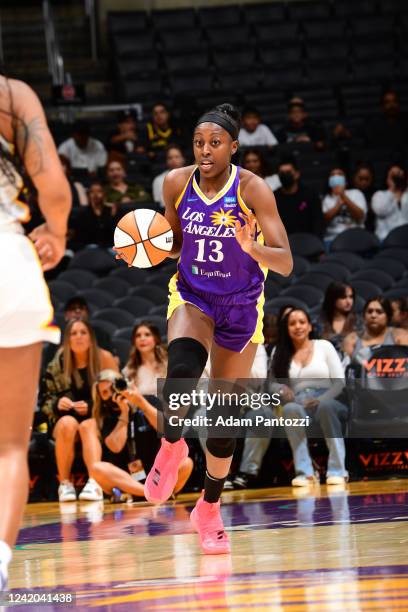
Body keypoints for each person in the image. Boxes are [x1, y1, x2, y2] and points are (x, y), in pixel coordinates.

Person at [115, 103, 292, 554]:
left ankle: (208, 508)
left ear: (234, 146)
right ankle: (171, 447)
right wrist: (144, 250)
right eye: (199, 142)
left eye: (215, 143)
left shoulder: (253, 189)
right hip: (193, 295)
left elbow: (286, 262)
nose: (206, 150)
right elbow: (174, 244)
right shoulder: (176, 182)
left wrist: (251, 246)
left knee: (223, 423)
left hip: (242, 305)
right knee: (179, 378)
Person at [0, 74, 71, 589]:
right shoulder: (11, 95)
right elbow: (55, 190)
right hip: (9, 263)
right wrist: (58, 233)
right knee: (9, 447)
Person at [85, 370, 193, 501]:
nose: (112, 394)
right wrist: (124, 413)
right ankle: (151, 494)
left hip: (158, 473)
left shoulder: (147, 401)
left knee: (186, 463)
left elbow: (167, 430)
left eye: (114, 387)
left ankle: (154, 492)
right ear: (100, 398)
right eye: (105, 392)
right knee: (97, 468)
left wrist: (140, 402)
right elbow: (115, 446)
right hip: (127, 479)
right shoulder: (105, 417)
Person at [41, 319, 118, 502]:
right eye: (73, 333)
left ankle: (94, 482)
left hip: (98, 419)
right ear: (67, 340)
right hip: (64, 421)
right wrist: (57, 403)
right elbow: (44, 400)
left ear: (91, 338)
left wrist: (93, 407)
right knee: (70, 423)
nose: (78, 337)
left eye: (83, 332)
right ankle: (65, 484)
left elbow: (119, 397)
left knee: (87, 425)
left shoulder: (104, 358)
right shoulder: (58, 362)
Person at [271, 307, 349, 487]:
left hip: (329, 399)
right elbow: (271, 383)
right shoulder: (280, 352)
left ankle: (338, 471)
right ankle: (305, 473)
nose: (297, 326)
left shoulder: (324, 346)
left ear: (310, 326)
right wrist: (282, 389)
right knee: (289, 410)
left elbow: (340, 383)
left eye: (302, 322)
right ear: (286, 328)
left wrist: (321, 399)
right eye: (292, 323)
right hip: (299, 402)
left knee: (326, 407)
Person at [343, 297, 408, 364]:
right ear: (364, 315)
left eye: (379, 312)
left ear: (388, 316)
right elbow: (345, 369)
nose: (373, 315)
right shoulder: (351, 340)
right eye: (369, 311)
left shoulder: (400, 336)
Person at [274, 158, 324, 236]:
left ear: (297, 174)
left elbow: (318, 221)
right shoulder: (274, 197)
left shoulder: (310, 194)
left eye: (288, 172)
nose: (284, 175)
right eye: (281, 173)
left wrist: (315, 242)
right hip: (285, 243)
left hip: (309, 241)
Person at [317, 282, 362, 359]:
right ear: (333, 298)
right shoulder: (319, 323)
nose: (349, 301)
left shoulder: (359, 322)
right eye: (343, 297)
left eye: (351, 297)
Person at [322, 167, 367, 242]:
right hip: (333, 239)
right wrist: (337, 206)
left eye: (339, 174)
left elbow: (360, 216)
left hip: (356, 236)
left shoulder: (356, 193)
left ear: (346, 181)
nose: (336, 177)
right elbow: (324, 221)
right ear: (329, 181)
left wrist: (343, 196)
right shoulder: (326, 199)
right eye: (332, 175)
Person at [72, 180, 116, 248]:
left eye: (99, 191)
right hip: (90, 246)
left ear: (104, 194)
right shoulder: (83, 214)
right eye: (92, 192)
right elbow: (80, 237)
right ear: (88, 195)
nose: (96, 194)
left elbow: (114, 234)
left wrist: (112, 216)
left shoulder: (111, 210)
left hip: (109, 246)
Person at [371, 164, 408, 241]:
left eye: (399, 175)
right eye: (393, 175)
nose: (396, 178)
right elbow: (380, 211)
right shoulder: (380, 195)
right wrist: (392, 190)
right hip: (386, 239)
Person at [351, 162, 375, 232]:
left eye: (367, 179)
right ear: (354, 177)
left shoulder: (376, 194)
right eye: (360, 179)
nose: (364, 182)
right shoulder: (348, 193)